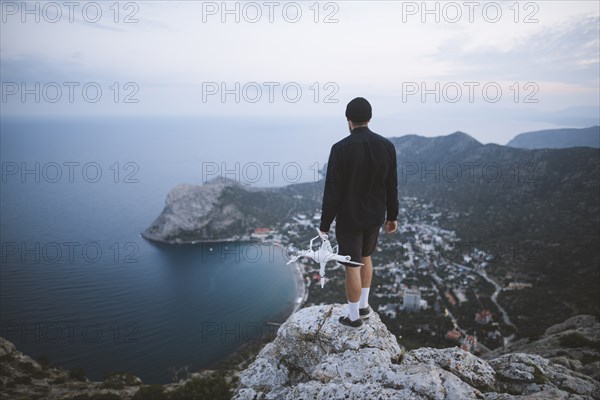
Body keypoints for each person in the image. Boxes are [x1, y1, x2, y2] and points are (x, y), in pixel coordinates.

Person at [319, 97, 399, 328]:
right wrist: (392, 216)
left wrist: (325, 224)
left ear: (348, 120)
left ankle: (354, 318)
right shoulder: (387, 146)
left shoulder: (340, 148)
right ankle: (364, 305)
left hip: (350, 217)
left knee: (352, 265)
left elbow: (332, 191)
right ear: (370, 118)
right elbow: (392, 184)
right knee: (366, 257)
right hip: (375, 216)